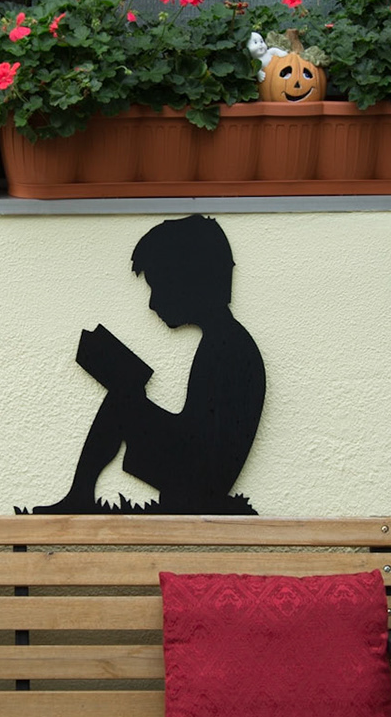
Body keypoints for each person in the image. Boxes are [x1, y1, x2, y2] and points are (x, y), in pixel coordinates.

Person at [35, 215, 265, 514]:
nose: (153, 303)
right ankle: (79, 495)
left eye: (160, 287)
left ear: (192, 282)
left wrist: (130, 393)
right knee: (126, 391)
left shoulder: (227, 347)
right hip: (198, 470)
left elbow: (204, 443)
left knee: (124, 396)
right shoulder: (225, 341)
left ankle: (80, 495)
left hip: (200, 480)